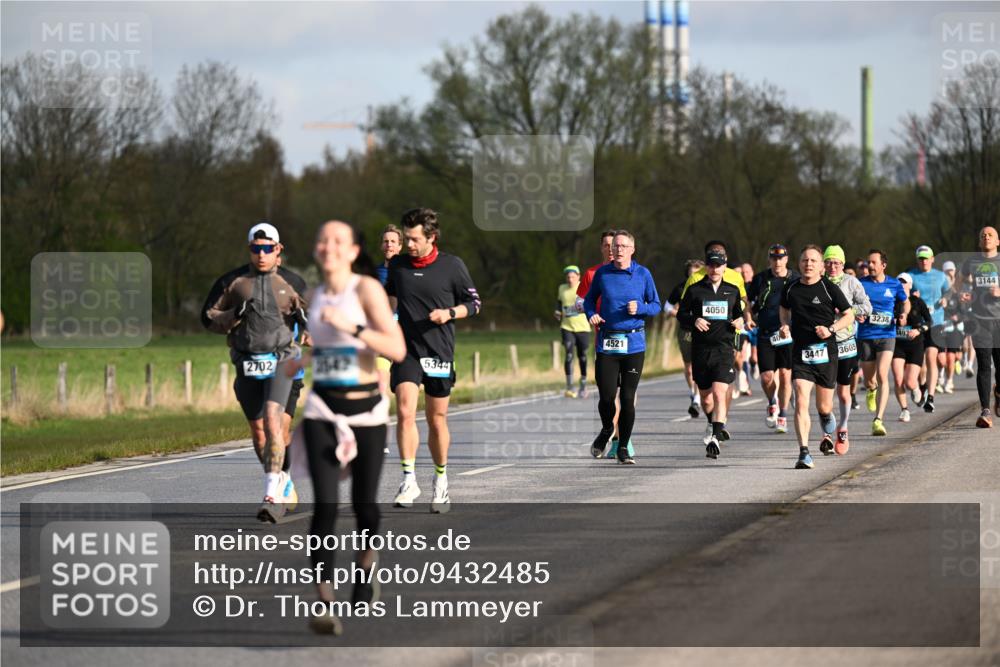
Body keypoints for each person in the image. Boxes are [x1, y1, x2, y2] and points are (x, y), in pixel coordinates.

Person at [296, 220, 406, 635]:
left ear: (354, 250)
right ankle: (325, 603)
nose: (329, 246)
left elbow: (396, 348)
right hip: (323, 409)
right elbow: (326, 352)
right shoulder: (314, 296)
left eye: (338, 240)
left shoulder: (367, 290)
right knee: (325, 506)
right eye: (323, 239)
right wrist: (302, 359)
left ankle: (365, 566)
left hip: (366, 413)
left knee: (365, 506)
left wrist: (352, 326)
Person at [201, 222, 309, 522]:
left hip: (283, 362)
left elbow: (316, 319)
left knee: (276, 423)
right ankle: (282, 477)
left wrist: (307, 327)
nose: (261, 254)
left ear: (278, 249)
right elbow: (207, 319)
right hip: (247, 363)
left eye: (267, 248)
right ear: (249, 249)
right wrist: (233, 315)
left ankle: (271, 495)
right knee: (260, 433)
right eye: (255, 248)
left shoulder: (293, 282)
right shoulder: (232, 282)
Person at [386, 208, 482, 511]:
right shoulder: (397, 265)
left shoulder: (452, 266)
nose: (409, 244)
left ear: (431, 237)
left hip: (439, 351)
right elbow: (389, 299)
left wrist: (449, 313)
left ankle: (441, 481)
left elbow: (475, 303)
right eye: (406, 238)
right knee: (405, 412)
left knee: (436, 419)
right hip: (407, 350)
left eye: (414, 239)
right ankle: (408, 479)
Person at [584, 230, 661, 464]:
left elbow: (656, 305)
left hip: (634, 344)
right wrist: (591, 314)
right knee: (607, 397)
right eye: (614, 246)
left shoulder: (643, 274)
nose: (617, 250)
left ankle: (623, 447)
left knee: (627, 398)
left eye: (622, 246)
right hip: (607, 342)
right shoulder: (603, 274)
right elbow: (589, 300)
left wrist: (641, 308)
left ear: (632, 250)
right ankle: (608, 428)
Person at [778, 245, 855, 468]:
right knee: (801, 398)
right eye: (805, 260)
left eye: (813, 261)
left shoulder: (829, 289)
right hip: (801, 352)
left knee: (824, 406)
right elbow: (784, 309)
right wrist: (785, 325)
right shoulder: (791, 288)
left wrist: (831, 329)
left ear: (821, 266)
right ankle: (804, 452)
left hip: (826, 354)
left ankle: (825, 416)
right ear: (799, 263)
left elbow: (849, 316)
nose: (808, 264)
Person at [677, 248, 746, 459]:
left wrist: (740, 321)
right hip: (701, 350)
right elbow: (681, 314)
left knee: (719, 393)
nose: (715, 269)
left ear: (725, 267)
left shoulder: (732, 290)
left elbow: (739, 314)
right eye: (711, 265)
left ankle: (715, 437)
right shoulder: (695, 290)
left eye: (719, 265)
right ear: (706, 267)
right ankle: (712, 422)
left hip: (724, 349)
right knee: (706, 399)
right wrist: (694, 320)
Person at [822, 245, 871, 455]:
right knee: (825, 393)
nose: (832, 266)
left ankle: (842, 428)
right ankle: (826, 433)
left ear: (842, 264)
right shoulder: (818, 282)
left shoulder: (851, 282)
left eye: (836, 263)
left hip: (845, 342)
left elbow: (866, 307)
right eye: (828, 262)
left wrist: (846, 310)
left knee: (843, 392)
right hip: (823, 343)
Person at [857, 249, 910, 437]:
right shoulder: (861, 283)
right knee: (870, 379)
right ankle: (871, 389)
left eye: (873, 262)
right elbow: (851, 304)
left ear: (883, 265)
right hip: (866, 335)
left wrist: (904, 314)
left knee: (882, 374)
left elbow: (906, 302)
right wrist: (857, 313)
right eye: (868, 263)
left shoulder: (894, 284)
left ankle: (878, 419)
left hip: (887, 334)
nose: (869, 266)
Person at [747, 244, 799, 433]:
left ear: (786, 259)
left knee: (785, 376)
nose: (777, 262)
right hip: (766, 333)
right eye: (774, 258)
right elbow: (748, 302)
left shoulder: (795, 279)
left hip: (787, 334)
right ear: (769, 259)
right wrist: (748, 318)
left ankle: (783, 415)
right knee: (767, 377)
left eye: (781, 258)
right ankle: (772, 401)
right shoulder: (761, 279)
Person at [959, 226, 1000, 428]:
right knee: (984, 364)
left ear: (998, 241)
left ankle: (998, 392)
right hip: (980, 321)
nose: (986, 237)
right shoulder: (972, 262)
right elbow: (959, 282)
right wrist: (964, 293)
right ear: (979, 241)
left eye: (990, 235)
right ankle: (985, 411)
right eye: (983, 235)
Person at [907, 245, 951, 411]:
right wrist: (911, 296)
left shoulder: (940, 276)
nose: (924, 261)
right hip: (917, 323)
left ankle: (930, 397)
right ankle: (922, 385)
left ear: (932, 259)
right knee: (921, 361)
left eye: (926, 258)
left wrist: (946, 299)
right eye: (921, 259)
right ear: (917, 260)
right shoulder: (911, 275)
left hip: (935, 322)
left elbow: (949, 291)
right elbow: (901, 291)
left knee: (931, 356)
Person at [664, 259, 705, 418]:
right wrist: (678, 314)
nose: (693, 277)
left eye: (697, 274)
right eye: (691, 274)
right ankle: (693, 392)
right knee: (689, 367)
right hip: (685, 331)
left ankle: (697, 398)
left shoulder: (707, 287)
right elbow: (667, 306)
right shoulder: (681, 288)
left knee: (699, 365)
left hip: (703, 331)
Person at [891, 274, 932, 423]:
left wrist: (918, 330)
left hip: (915, 344)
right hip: (897, 344)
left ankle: (916, 389)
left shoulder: (917, 302)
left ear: (910, 285)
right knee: (898, 379)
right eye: (899, 282)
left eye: (904, 283)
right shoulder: (892, 301)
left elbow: (929, 321)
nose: (901, 285)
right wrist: (894, 320)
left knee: (909, 381)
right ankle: (904, 410)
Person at [555, 265, 590, 398]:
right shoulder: (562, 288)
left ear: (578, 276)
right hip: (567, 327)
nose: (570, 279)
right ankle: (570, 387)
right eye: (568, 277)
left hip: (583, 328)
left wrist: (576, 309)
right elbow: (559, 302)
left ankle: (583, 385)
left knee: (582, 356)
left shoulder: (584, 287)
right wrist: (557, 311)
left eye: (573, 277)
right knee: (569, 355)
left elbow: (590, 303)